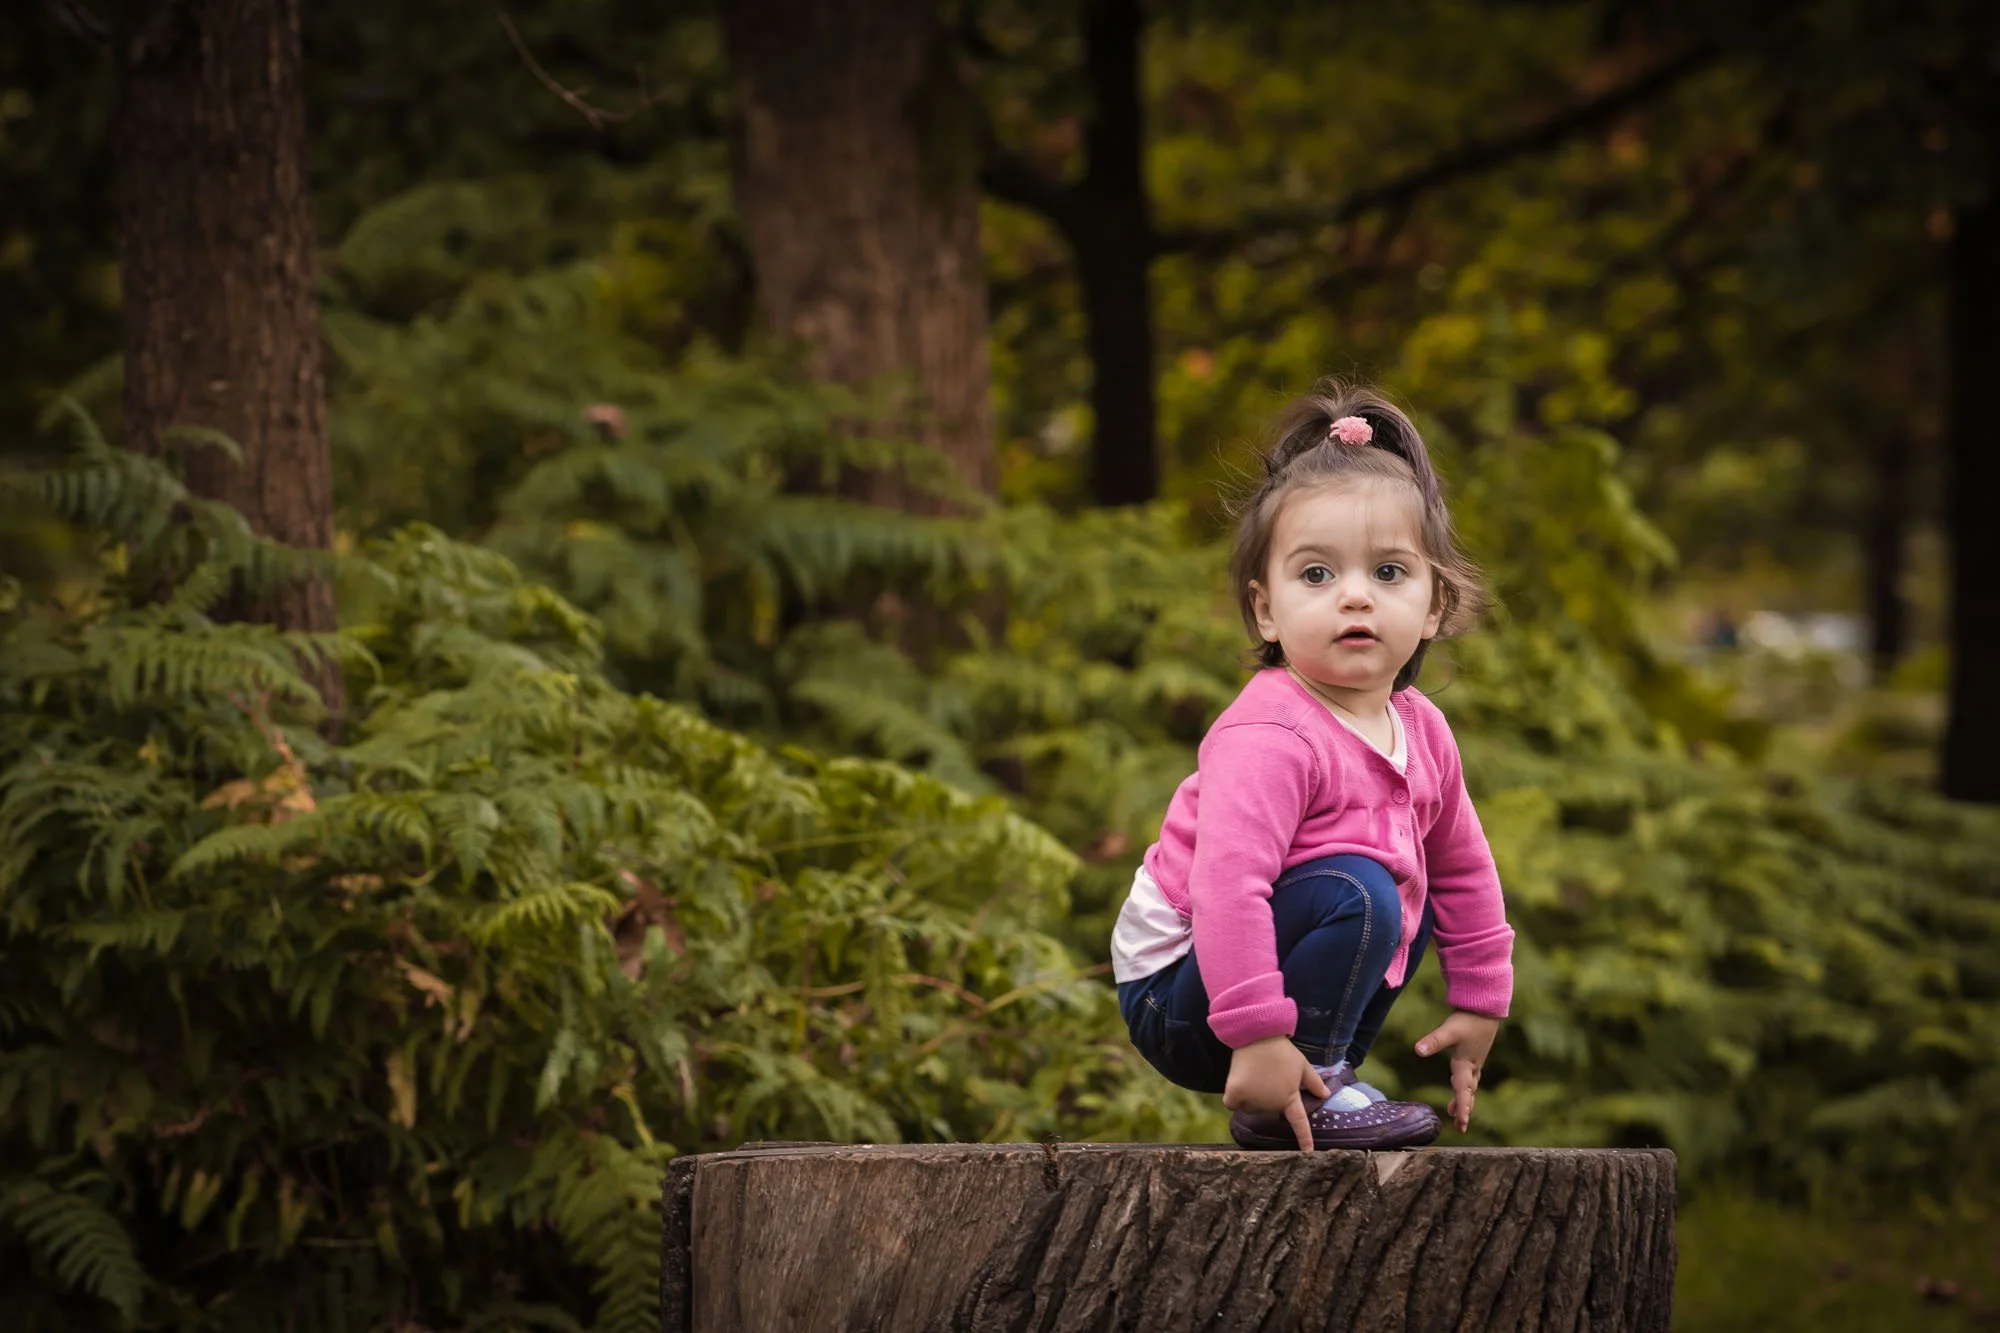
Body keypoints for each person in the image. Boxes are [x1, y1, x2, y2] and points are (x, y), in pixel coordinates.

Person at [1111, 380, 1515, 1153]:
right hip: (1179, 992)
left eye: (1389, 573)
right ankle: (1298, 1078)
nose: (1355, 598)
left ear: (1434, 605)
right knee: (1362, 890)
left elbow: (1464, 867)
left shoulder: (1421, 728)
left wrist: (1481, 1000)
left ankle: (1328, 1074)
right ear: (1267, 609)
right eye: (1317, 575)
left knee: (1408, 886)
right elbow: (1227, 887)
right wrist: (1258, 1035)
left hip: (1257, 965)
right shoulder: (1270, 734)